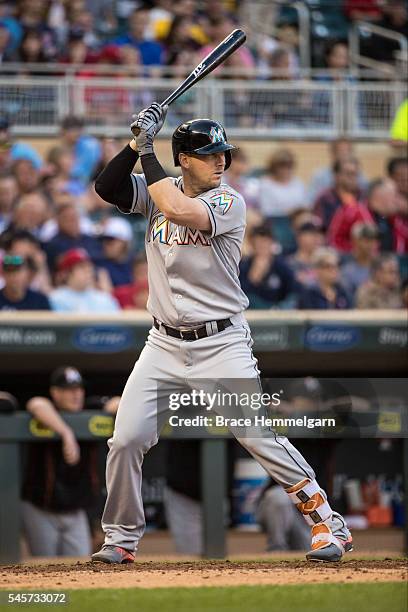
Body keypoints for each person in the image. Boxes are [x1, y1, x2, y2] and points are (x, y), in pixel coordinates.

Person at [90, 103, 352, 564]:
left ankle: (329, 524)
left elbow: (178, 210)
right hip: (163, 343)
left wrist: (148, 147)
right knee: (126, 438)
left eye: (223, 154)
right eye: (210, 154)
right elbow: (107, 187)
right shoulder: (159, 185)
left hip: (220, 342)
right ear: (184, 159)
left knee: (255, 433)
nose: (221, 161)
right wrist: (134, 145)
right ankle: (120, 540)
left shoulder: (228, 201)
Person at [21, 366, 118, 557]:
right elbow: (35, 403)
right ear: (55, 393)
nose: (76, 394)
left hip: (75, 511)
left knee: (79, 565)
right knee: (44, 567)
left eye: (79, 389)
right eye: (68, 389)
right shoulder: (47, 410)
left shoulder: (89, 409)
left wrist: (113, 406)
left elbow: (117, 402)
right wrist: (66, 433)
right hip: (41, 509)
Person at [239, 225, 297, 308]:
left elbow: (292, 292)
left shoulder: (281, 266)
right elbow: (240, 294)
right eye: (259, 245)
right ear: (252, 245)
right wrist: (253, 278)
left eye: (265, 243)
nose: (262, 248)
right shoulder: (244, 266)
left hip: (277, 313)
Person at [49, 248, 120, 313]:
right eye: (81, 267)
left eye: (89, 266)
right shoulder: (56, 299)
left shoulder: (104, 298)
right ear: (66, 273)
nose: (88, 270)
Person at [307, 139, 368, 205]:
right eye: (341, 151)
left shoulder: (361, 177)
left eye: (348, 151)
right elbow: (311, 201)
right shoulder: (320, 176)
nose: (344, 155)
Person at [314, 157, 364, 231]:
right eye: (348, 173)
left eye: (355, 174)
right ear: (336, 176)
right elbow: (320, 228)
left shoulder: (364, 197)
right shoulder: (325, 199)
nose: (352, 178)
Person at [257, 149, 307, 218]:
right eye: (282, 166)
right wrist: (287, 212)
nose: (286, 170)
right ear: (274, 167)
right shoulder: (265, 184)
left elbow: (304, 204)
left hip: (298, 219)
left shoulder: (297, 182)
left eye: (289, 166)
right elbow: (265, 210)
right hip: (276, 221)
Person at [340, 223, 380, 300]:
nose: (372, 244)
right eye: (367, 240)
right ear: (355, 241)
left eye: (374, 240)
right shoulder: (345, 265)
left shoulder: (382, 264)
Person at [95, 217, 133, 287]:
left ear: (124, 242)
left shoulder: (136, 264)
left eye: (110, 241)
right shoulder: (99, 265)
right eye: (103, 241)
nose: (105, 245)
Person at [286, 221, 324, 288]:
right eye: (312, 234)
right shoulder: (290, 263)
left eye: (318, 235)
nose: (317, 238)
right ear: (299, 238)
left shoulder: (323, 261)